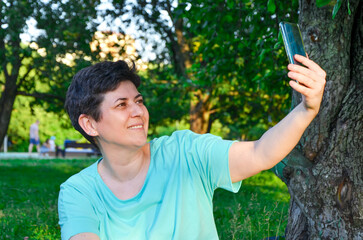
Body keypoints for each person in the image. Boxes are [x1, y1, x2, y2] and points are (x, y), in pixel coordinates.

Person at [58, 56, 326, 240]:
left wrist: (306, 109)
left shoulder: (185, 152)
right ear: (90, 124)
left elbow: (260, 153)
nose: (138, 111)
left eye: (138, 101)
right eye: (121, 105)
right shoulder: (78, 192)